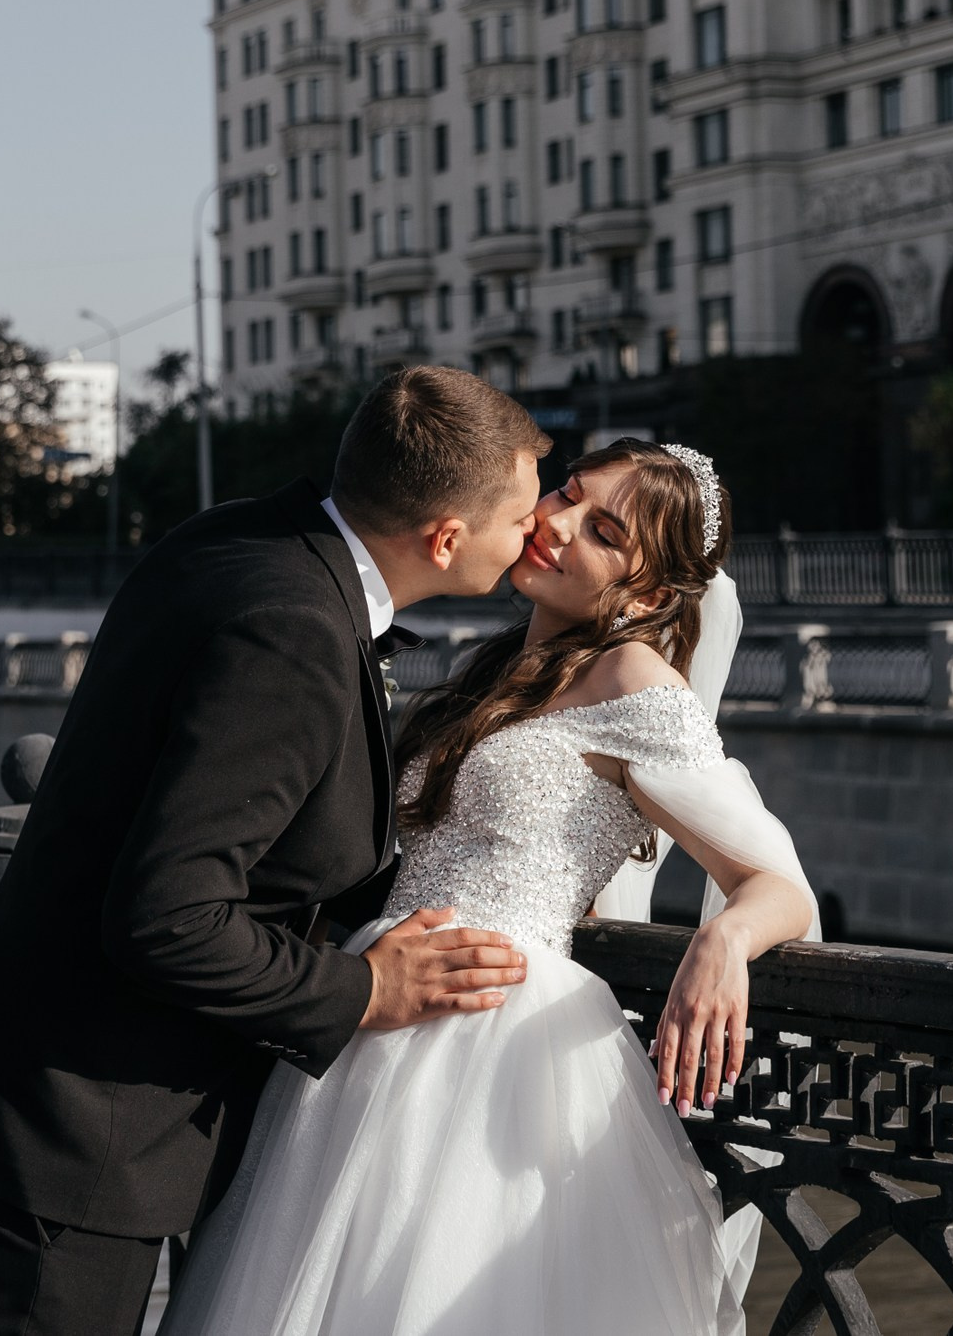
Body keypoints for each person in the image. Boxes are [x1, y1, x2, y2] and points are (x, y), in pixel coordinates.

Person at [0, 366, 553, 1335]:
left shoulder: (236, 538)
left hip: (11, 1096)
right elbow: (166, 917)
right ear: (446, 538)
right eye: (519, 518)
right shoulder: (292, 631)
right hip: (65, 1149)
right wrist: (361, 991)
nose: (533, 536)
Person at [158, 437, 821, 1336]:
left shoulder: (636, 681)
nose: (555, 523)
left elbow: (775, 880)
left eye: (604, 529)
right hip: (374, 1018)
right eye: (566, 493)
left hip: (497, 1043)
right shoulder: (494, 669)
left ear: (653, 594)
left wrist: (722, 940)